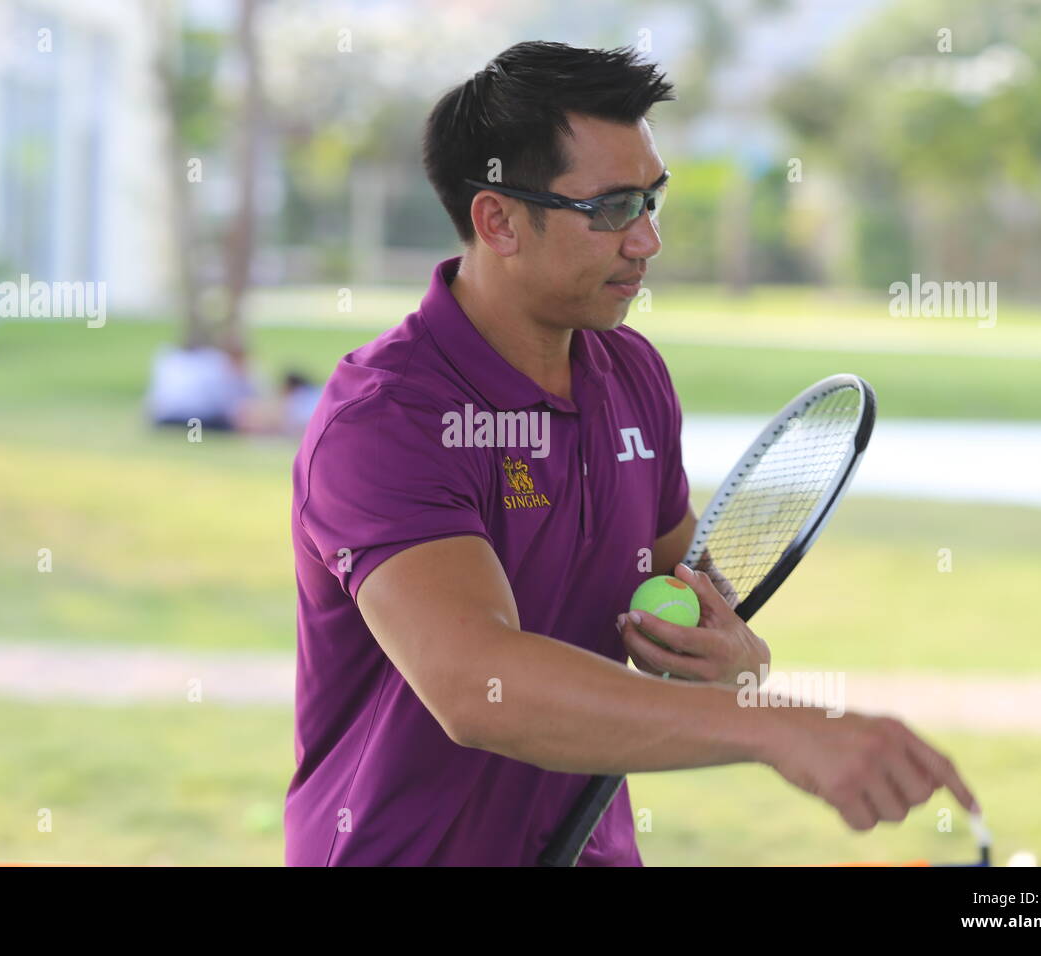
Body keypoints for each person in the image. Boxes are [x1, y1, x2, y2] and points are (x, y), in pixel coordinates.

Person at [285, 41, 976, 866]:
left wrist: (738, 663)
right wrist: (775, 726)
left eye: (652, 201)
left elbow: (685, 587)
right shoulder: (387, 419)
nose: (646, 241)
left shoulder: (632, 373)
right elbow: (477, 683)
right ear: (498, 219)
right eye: (613, 208)